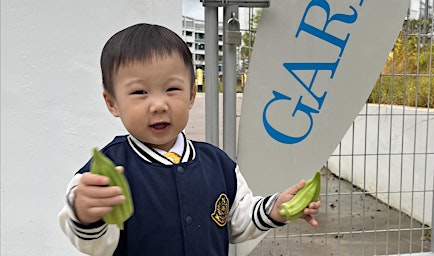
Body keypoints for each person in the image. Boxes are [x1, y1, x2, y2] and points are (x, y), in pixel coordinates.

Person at [58, 23, 321, 256]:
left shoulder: (217, 163)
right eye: (140, 92)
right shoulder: (106, 172)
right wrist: (84, 213)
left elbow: (236, 219)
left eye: (172, 89)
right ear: (112, 103)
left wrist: (275, 209)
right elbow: (96, 245)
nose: (159, 105)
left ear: (192, 94)